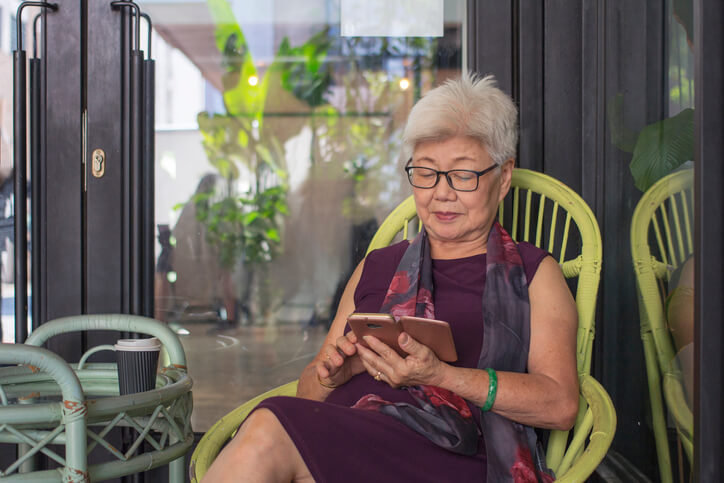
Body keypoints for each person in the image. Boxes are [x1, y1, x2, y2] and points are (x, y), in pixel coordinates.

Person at [203, 74, 579, 482]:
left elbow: (560, 405)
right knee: (275, 429)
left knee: (269, 428)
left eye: (463, 174)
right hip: (349, 441)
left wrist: (441, 376)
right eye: (426, 172)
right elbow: (310, 392)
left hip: (454, 459)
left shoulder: (534, 273)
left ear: (503, 178)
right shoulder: (377, 266)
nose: (441, 192)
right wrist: (334, 376)